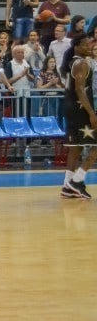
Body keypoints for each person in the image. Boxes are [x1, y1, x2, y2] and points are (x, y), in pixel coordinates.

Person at [60, 36, 97, 199]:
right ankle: (77, 180)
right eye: (86, 45)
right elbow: (80, 90)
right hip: (80, 108)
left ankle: (67, 186)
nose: (90, 47)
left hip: (70, 107)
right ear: (77, 47)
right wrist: (91, 113)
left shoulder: (71, 62)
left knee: (76, 147)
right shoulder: (81, 63)